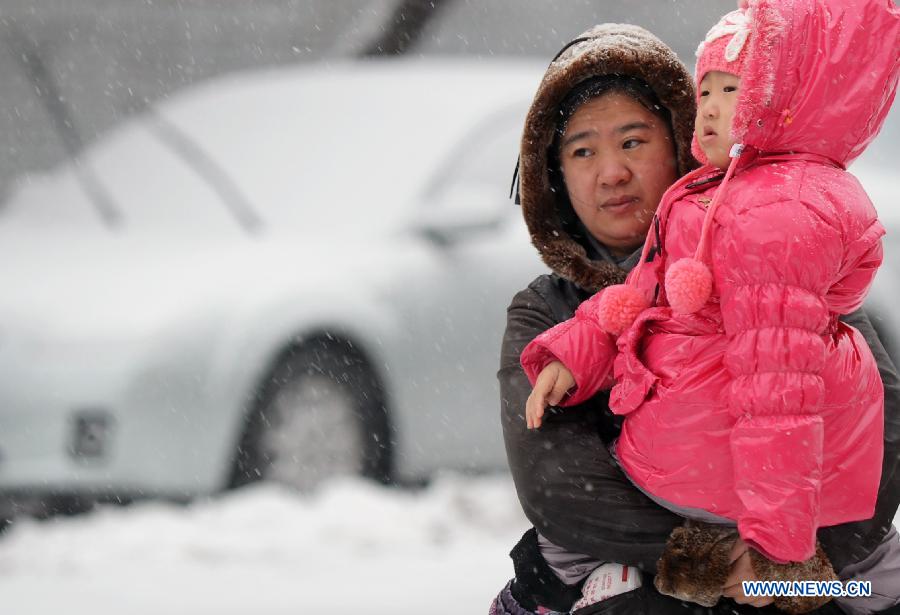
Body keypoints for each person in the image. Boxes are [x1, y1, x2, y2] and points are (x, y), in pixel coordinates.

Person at [491, 12, 900, 615]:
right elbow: (559, 489)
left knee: (867, 588)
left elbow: (882, 432)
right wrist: (705, 558)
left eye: (634, 141)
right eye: (582, 151)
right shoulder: (547, 311)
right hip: (651, 589)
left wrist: (783, 562)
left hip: (797, 578)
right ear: (554, 177)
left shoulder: (777, 248)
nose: (613, 173)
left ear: (681, 138)